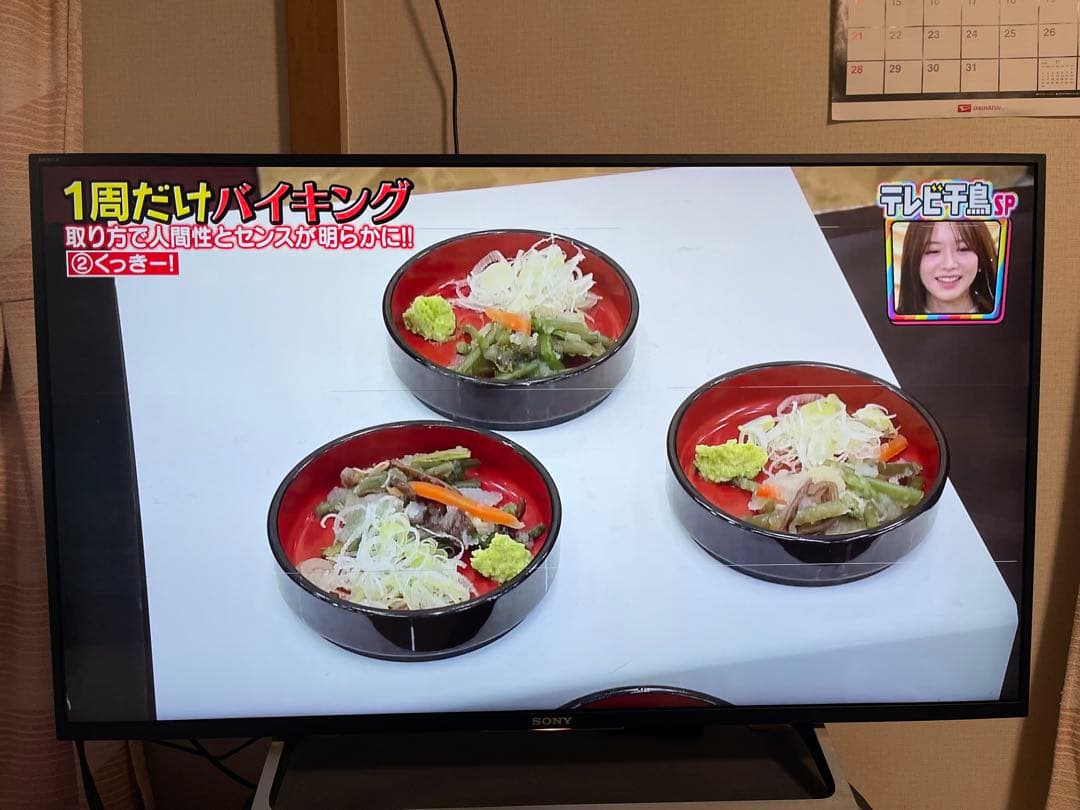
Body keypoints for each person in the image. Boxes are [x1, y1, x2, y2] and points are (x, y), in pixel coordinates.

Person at [898, 219, 998, 315]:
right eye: (933, 250)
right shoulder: (894, 323)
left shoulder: (1002, 319)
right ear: (913, 259)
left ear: (981, 257)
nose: (949, 265)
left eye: (963, 249)